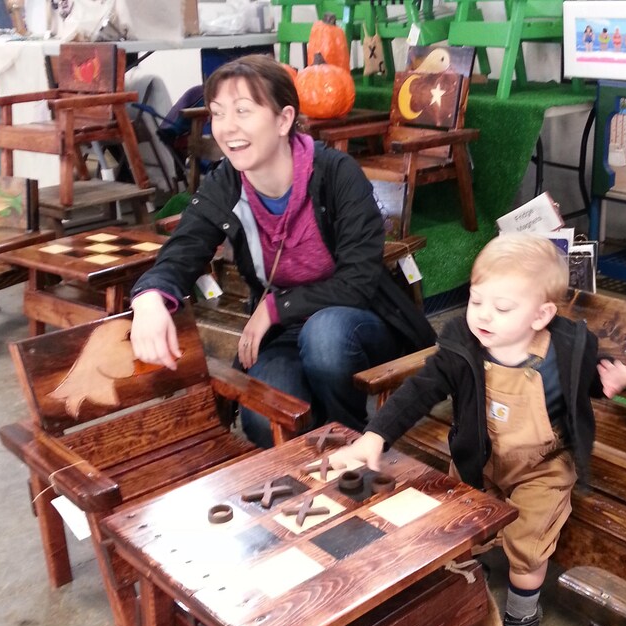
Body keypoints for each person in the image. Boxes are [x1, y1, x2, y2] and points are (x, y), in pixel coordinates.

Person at [331, 234, 626, 626]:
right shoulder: (462, 347)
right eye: (476, 300)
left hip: (544, 465)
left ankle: (522, 615)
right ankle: (464, 589)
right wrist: (375, 435)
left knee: (528, 545)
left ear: (541, 315)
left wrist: (612, 381)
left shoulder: (567, 347)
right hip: (480, 456)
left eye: (503, 307)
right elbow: (420, 390)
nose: (483, 315)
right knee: (456, 528)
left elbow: (584, 382)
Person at [129, 55, 435, 448]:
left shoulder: (336, 174)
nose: (226, 127)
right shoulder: (226, 184)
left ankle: (350, 438)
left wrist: (275, 307)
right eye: (218, 113)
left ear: (283, 119)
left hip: (361, 321)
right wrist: (150, 297)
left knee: (325, 337)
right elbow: (184, 248)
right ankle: (312, 454)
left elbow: (359, 281)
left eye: (243, 110)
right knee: (263, 419)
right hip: (286, 332)